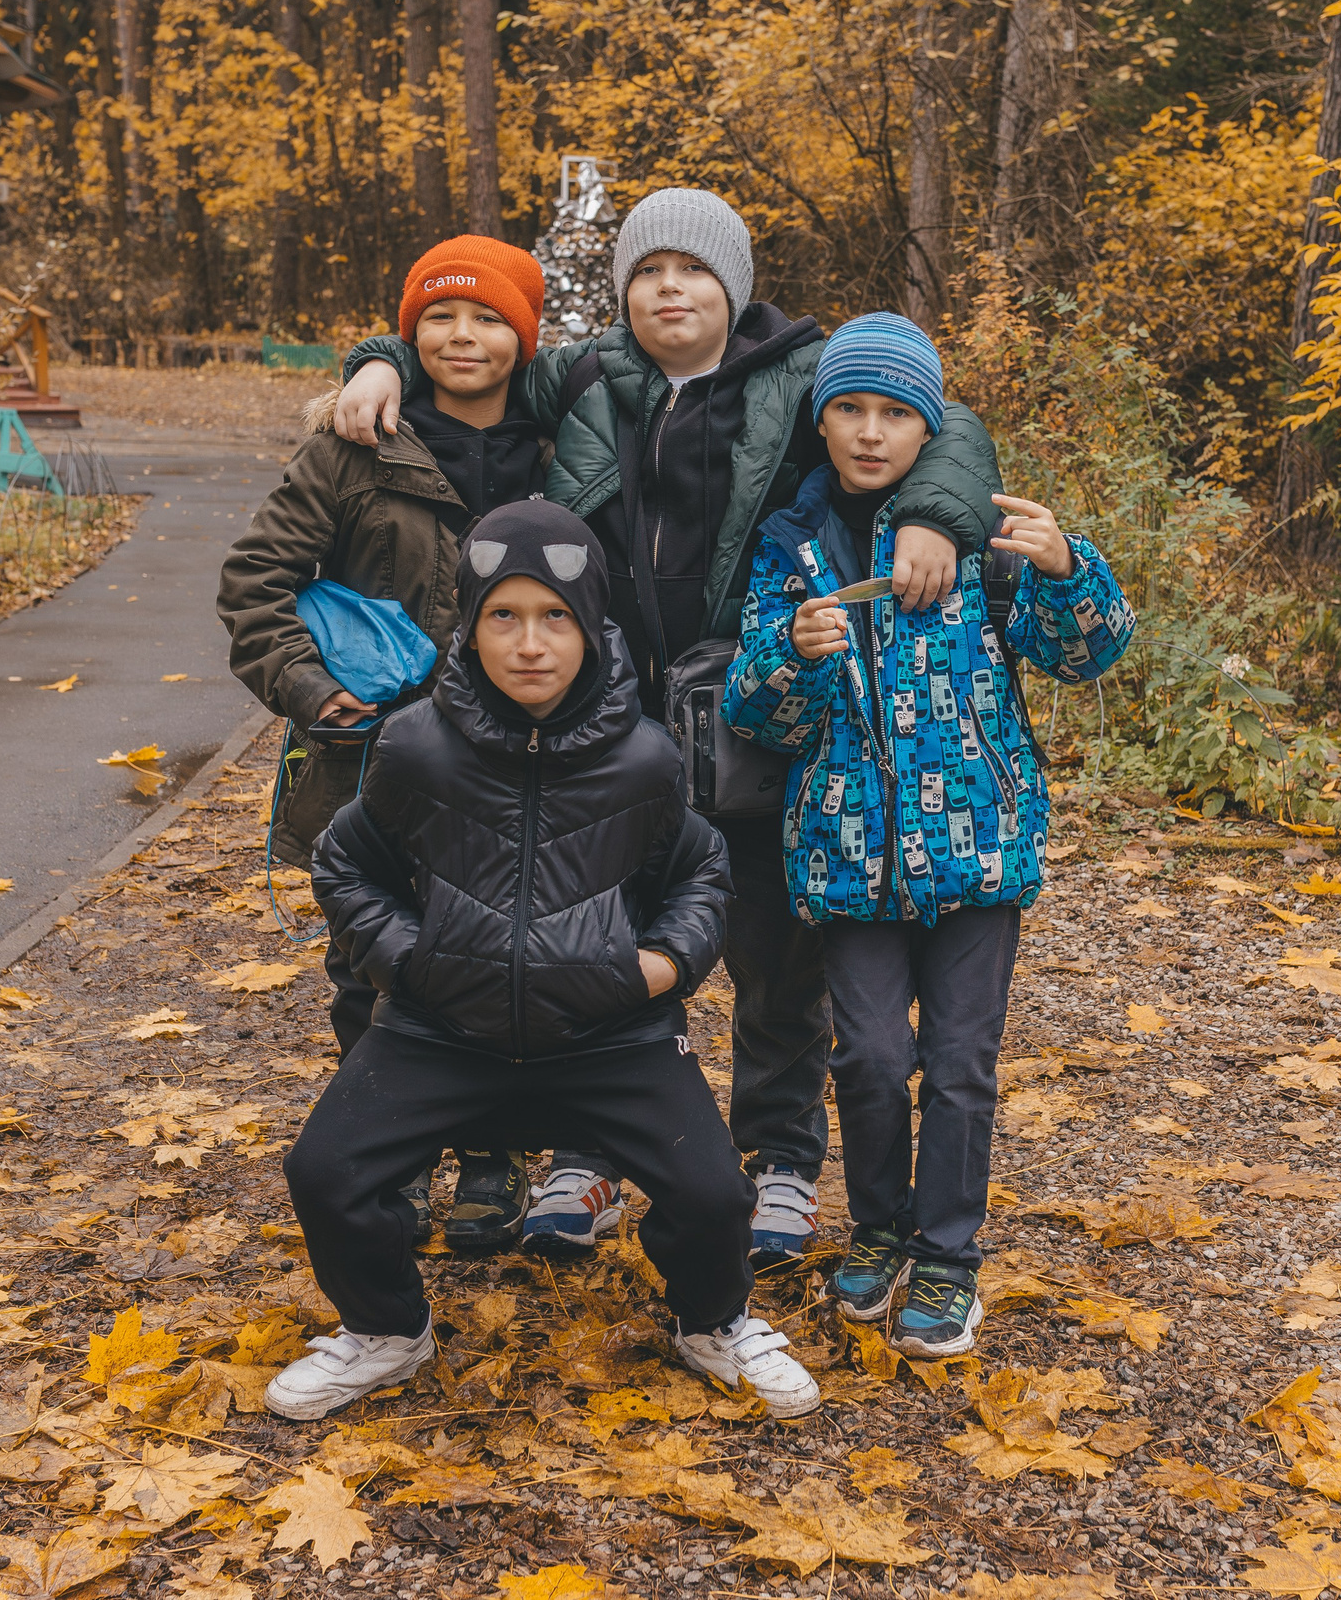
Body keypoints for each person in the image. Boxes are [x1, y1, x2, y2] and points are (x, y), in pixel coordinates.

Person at [329, 189, 1006, 1267]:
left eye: (692, 269)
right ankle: (592, 1151)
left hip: (760, 707)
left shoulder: (800, 375)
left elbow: (940, 417)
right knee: (601, 932)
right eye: (647, 271)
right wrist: (379, 362)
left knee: (774, 955)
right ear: (623, 292)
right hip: (613, 722)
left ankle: (777, 1157)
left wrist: (933, 512)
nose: (669, 289)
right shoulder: (587, 375)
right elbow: (471, 352)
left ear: (732, 287)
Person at [270, 499, 821, 1422]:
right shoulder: (415, 747)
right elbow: (345, 863)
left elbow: (702, 873)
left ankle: (713, 1321)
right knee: (324, 1171)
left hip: (609, 1033)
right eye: (504, 616)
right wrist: (412, 962)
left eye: (555, 616)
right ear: (470, 625)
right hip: (442, 1026)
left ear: (591, 625)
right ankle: (386, 1329)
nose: (530, 643)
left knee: (715, 1193)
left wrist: (657, 968)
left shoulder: (645, 757)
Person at [722, 313, 1135, 1358]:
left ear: (928, 426)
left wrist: (1064, 566)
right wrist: (791, 653)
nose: (871, 433)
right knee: (867, 1057)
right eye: (850, 411)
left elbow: (1087, 653)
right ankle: (878, 1228)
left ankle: (948, 1256)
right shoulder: (790, 544)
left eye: (895, 414)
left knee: (959, 1062)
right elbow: (753, 712)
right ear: (822, 423)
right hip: (846, 857)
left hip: (977, 851)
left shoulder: (980, 542)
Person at [219, 234, 555, 1252]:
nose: (463, 336)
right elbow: (255, 582)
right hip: (376, 763)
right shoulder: (355, 446)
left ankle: (495, 1153)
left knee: (505, 963)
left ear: (524, 336)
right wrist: (310, 690)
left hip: (521, 761)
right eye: (438, 317)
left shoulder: (565, 445)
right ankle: (393, 1151)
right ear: (409, 335)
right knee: (372, 967)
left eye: (488, 317)